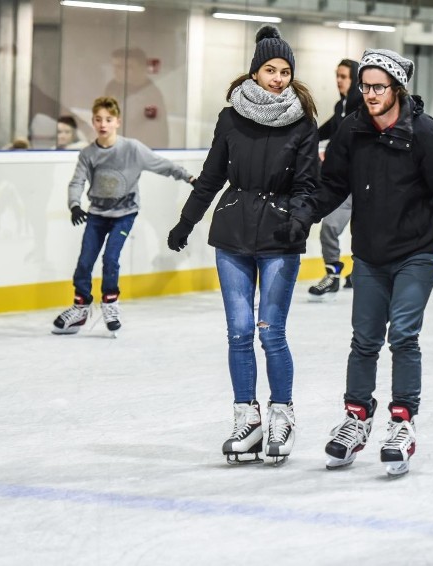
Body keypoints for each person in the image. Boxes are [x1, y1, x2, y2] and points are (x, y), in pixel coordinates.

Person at [276, 48, 433, 477]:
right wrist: (304, 216)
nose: (370, 94)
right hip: (371, 255)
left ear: (397, 88)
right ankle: (356, 419)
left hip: (417, 251)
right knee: (364, 339)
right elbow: (332, 185)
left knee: (404, 336)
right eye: (365, 86)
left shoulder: (427, 134)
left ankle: (401, 424)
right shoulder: (352, 131)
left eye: (378, 86)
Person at [166, 26, 318, 466]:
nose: (278, 78)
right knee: (238, 332)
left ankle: (282, 415)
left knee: (271, 332)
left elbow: (310, 185)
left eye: (285, 71)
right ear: (254, 72)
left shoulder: (302, 121)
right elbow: (212, 176)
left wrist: (299, 222)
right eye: (270, 69)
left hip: (279, 237)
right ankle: (246, 418)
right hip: (232, 235)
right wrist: (186, 221)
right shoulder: (230, 117)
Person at [53, 96, 194, 336]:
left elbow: (161, 164)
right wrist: (75, 205)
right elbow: (77, 181)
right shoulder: (88, 153)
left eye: (108, 119)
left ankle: (109, 303)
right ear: (93, 122)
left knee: (110, 258)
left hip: (124, 214)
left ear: (117, 122)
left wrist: (188, 177)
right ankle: (80, 307)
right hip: (97, 215)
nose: (103, 124)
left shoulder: (132, 149)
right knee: (85, 261)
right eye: (98, 119)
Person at [308, 58, 362, 300]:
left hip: (363, 181)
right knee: (329, 227)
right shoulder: (340, 106)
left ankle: (361, 271)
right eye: (337, 76)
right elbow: (324, 132)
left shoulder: (361, 107)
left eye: (344, 76)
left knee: (367, 230)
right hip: (342, 184)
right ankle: (333, 274)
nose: (339, 81)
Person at [105, 47, 169, 148]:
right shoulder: (113, 86)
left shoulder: (150, 93)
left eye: (123, 67)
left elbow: (156, 135)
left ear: (141, 68)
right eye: (115, 66)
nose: (116, 71)